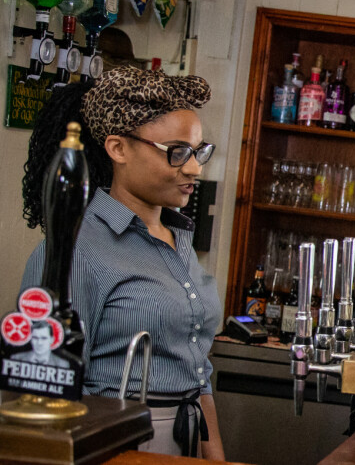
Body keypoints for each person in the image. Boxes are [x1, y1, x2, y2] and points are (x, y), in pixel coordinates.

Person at [20, 65, 225, 460]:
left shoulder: (179, 239)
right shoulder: (76, 250)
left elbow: (200, 374)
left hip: (185, 439)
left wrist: (217, 458)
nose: (195, 168)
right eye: (177, 152)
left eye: (199, 151)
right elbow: (47, 388)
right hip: (112, 443)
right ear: (118, 149)